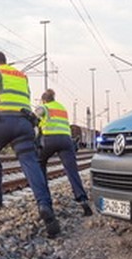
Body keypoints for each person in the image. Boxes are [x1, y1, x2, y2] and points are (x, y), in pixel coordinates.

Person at [0, 50, 60, 237]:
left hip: (1, 122)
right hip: (23, 124)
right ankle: (45, 206)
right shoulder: (22, 76)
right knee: (30, 163)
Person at [35, 88, 93, 216]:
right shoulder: (61, 108)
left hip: (49, 140)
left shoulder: (45, 107)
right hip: (66, 141)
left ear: (44, 100)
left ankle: (45, 201)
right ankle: (82, 200)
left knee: (39, 164)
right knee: (72, 170)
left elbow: (37, 114)